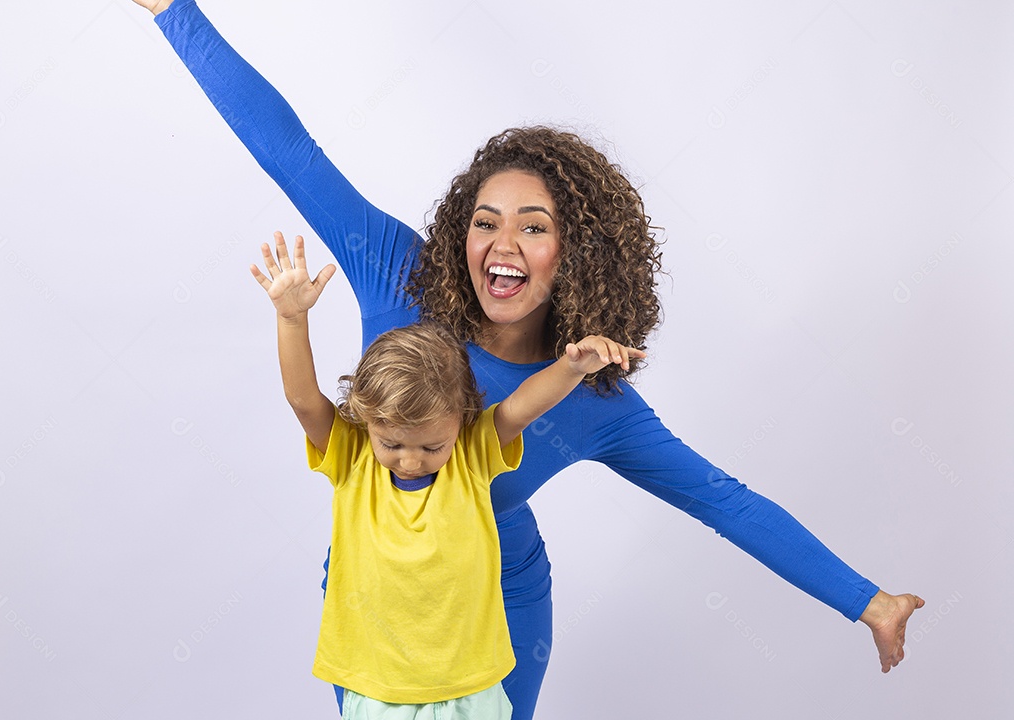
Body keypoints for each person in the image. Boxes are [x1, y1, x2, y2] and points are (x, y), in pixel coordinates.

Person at [130, 2, 925, 718]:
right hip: (375, 594)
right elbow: (291, 154)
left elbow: (725, 502)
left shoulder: (591, 398)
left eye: (534, 227)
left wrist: (868, 602)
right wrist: (175, 12)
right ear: (461, 236)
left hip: (502, 606)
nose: (503, 244)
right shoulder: (394, 271)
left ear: (574, 255)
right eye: (486, 222)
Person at [250, 230, 643, 719]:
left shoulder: (473, 451)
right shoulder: (351, 456)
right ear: (365, 420)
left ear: (461, 419)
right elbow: (303, 398)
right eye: (391, 443)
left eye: (430, 446)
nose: (410, 461)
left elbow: (521, 407)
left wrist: (573, 367)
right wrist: (292, 318)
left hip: (470, 686)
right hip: (377, 688)